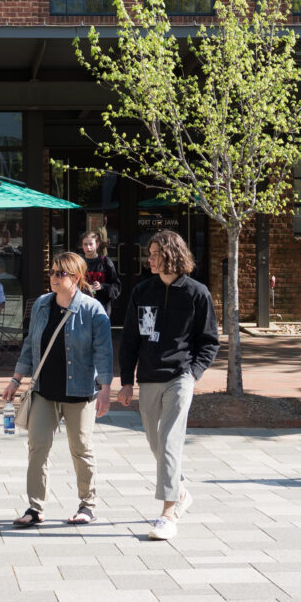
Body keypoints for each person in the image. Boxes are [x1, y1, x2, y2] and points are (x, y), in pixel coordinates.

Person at [113, 229, 219, 541]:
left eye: (155, 254)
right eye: (150, 254)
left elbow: (209, 341)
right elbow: (130, 338)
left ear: (172, 254)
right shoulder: (142, 291)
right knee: (154, 441)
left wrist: (193, 372)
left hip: (180, 376)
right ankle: (181, 491)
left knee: (170, 439)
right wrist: (126, 382)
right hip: (148, 377)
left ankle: (168, 513)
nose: (150, 259)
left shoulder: (198, 293)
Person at [7, 252, 116, 529]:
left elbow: (104, 353)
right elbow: (30, 344)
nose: (54, 277)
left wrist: (105, 390)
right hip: (44, 390)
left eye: (60, 273)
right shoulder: (43, 305)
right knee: (37, 448)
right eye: (53, 272)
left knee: (81, 449)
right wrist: (16, 379)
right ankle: (35, 507)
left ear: (76, 278)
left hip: (79, 392)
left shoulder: (92, 310)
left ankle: (87, 505)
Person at [81, 230, 122, 324]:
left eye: (91, 244)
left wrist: (102, 287)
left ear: (97, 244)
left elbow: (116, 286)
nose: (88, 247)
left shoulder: (105, 262)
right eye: (85, 244)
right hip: (82, 307)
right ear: (82, 246)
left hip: (101, 307)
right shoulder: (78, 262)